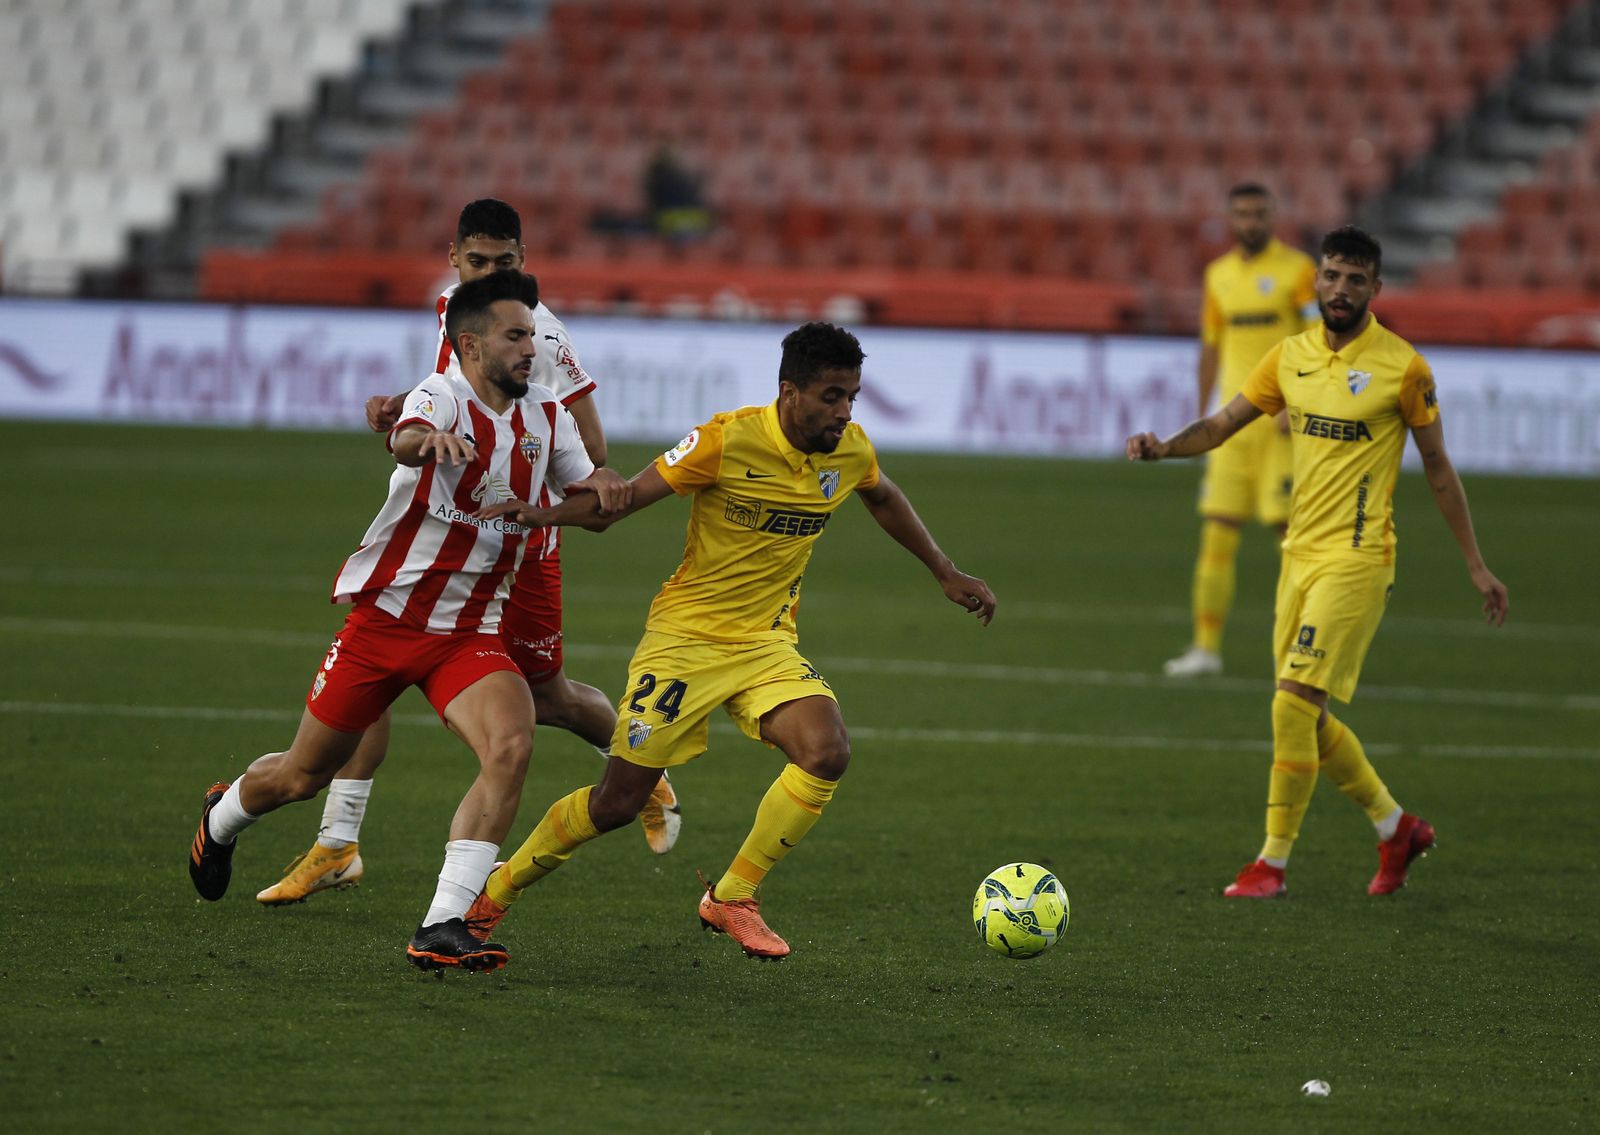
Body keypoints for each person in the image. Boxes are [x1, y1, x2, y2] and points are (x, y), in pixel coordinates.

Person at [463, 321, 997, 959]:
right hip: (684, 640)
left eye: (852, 396)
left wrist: (944, 569)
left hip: (765, 643)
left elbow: (882, 495)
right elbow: (623, 501)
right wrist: (544, 515)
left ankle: (733, 896)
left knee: (826, 751)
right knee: (617, 804)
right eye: (831, 396)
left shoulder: (849, 450)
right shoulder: (725, 440)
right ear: (790, 391)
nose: (845, 411)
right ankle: (497, 892)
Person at [188, 270, 632, 971]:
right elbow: (407, 436)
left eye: (532, 336)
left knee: (511, 745)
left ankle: (442, 923)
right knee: (302, 776)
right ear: (471, 345)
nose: (531, 348)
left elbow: (591, 503)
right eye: (515, 336)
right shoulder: (441, 395)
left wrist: (595, 493)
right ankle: (221, 817)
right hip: (385, 624)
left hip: (470, 634)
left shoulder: (548, 416)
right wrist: (428, 442)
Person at [254, 199, 681, 908]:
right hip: (441, 534)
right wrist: (406, 409)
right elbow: (459, 398)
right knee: (376, 659)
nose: (488, 273)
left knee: (546, 698)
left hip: (521, 545)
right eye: (477, 261)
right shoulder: (456, 313)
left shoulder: (541, 331)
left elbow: (592, 446)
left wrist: (540, 479)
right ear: (454, 258)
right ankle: (338, 841)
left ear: (523, 259)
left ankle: (643, 773)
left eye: (502, 262)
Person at [1126, 225, 1508, 898]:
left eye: (1355, 280)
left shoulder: (1403, 368)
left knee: (1292, 702)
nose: (1340, 289)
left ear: (1375, 289)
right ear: (1317, 281)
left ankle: (1270, 865)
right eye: (1332, 276)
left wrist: (1476, 565)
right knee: (1306, 712)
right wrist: (1164, 448)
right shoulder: (1290, 356)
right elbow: (1222, 424)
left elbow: (1439, 468)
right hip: (1298, 555)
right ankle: (1396, 827)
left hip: (1358, 559)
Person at [1164, 184, 1318, 678]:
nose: (1251, 222)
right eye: (1243, 214)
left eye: (1259, 213)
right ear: (1231, 219)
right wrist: (1199, 416)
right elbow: (1211, 347)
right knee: (1217, 534)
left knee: (1290, 539)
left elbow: (1318, 339)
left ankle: (1302, 650)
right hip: (1232, 425)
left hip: (1281, 427)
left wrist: (1297, 399)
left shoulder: (1298, 270)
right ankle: (1205, 648)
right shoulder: (1219, 275)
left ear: (1273, 216)